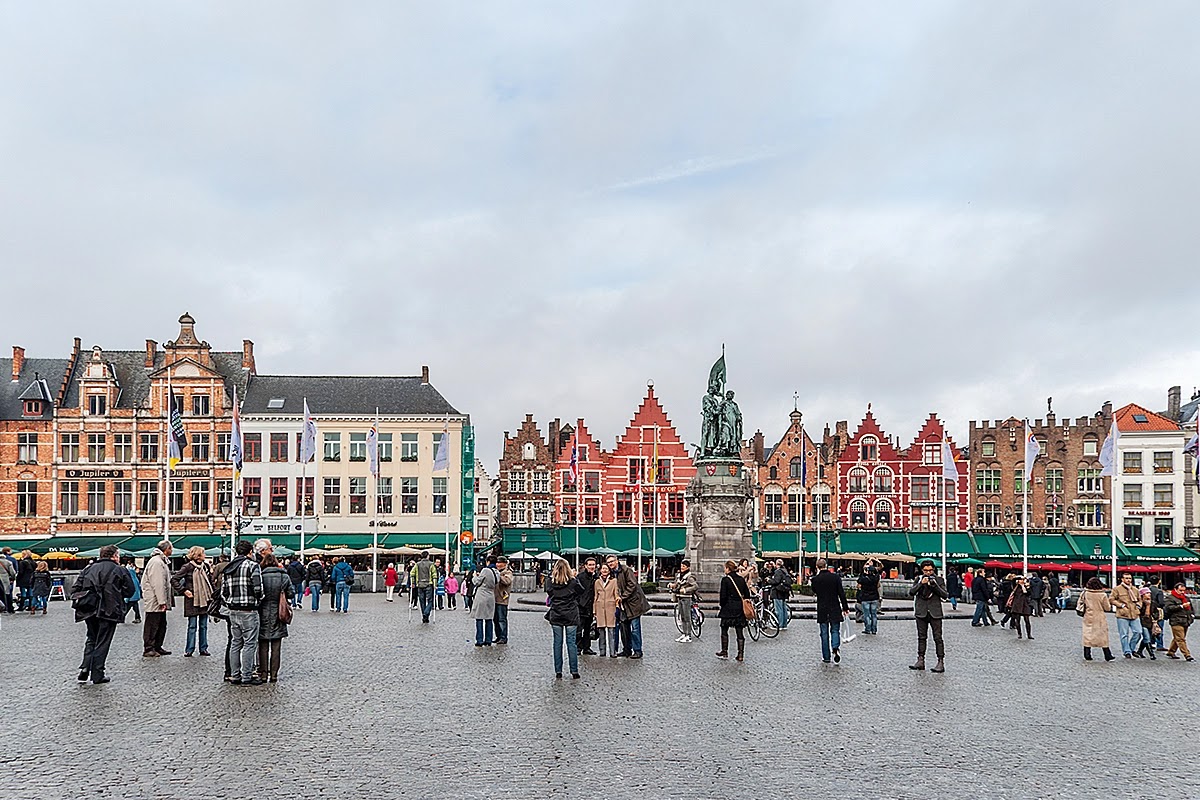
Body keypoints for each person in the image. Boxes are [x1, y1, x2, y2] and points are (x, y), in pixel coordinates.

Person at [73, 544, 135, 684]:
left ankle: (85, 667)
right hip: (109, 609)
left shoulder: (88, 569)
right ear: (114, 556)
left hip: (89, 608)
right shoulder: (120, 570)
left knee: (91, 638)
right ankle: (97, 673)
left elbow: (76, 588)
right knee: (103, 642)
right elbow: (130, 591)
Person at [224, 540, 265, 685]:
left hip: (233, 610)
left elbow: (224, 591)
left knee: (236, 643)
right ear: (250, 552)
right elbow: (258, 588)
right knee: (249, 643)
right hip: (248, 609)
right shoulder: (252, 566)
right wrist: (259, 599)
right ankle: (247, 676)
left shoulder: (229, 567)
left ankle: (235, 675)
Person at [256, 553, 295, 682]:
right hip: (279, 612)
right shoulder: (283, 575)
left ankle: (263, 673)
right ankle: (274, 675)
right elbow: (291, 593)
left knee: (263, 646)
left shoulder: (260, 576)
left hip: (262, 612)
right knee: (276, 646)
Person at [171, 546, 213, 657]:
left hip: (204, 599)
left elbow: (210, 582)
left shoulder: (206, 567)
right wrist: (184, 590)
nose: (205, 555)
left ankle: (203, 648)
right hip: (192, 599)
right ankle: (189, 649)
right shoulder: (187, 567)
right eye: (203, 553)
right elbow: (174, 579)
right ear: (198, 555)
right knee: (192, 626)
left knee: (204, 625)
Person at [546, 559, 584, 679]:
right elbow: (581, 591)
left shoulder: (549, 582)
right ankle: (574, 671)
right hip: (571, 613)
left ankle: (558, 671)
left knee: (557, 643)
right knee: (571, 643)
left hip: (556, 613)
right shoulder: (573, 582)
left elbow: (550, 593)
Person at [909, 560, 948, 672]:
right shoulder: (918, 579)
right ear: (922, 570)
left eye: (930, 570)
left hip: (935, 612)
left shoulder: (939, 580)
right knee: (921, 637)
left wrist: (934, 585)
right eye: (926, 570)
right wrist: (921, 584)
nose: (928, 573)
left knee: (938, 638)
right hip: (921, 611)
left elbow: (945, 595)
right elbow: (911, 592)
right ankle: (920, 660)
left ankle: (940, 661)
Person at [608, 555, 647, 658]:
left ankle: (637, 650)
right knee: (624, 629)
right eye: (609, 562)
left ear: (617, 561)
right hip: (622, 605)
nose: (610, 564)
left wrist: (622, 597)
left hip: (633, 603)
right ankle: (627, 649)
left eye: (612, 561)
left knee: (635, 628)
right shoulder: (611, 573)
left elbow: (632, 585)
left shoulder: (626, 570)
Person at [811, 559, 849, 664]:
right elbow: (841, 593)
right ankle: (835, 647)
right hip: (834, 607)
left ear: (817, 567)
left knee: (824, 633)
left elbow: (814, 591)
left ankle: (826, 656)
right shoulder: (835, 578)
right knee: (835, 630)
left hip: (822, 608)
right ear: (826, 566)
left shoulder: (815, 580)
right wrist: (845, 607)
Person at [141, 541, 174, 657]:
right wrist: (162, 601)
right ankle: (149, 647)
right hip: (154, 599)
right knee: (152, 624)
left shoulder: (161, 561)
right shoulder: (157, 562)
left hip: (157, 599)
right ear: (167, 549)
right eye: (171, 548)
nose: (172, 550)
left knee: (161, 624)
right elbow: (158, 583)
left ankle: (157, 646)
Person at [716, 560, 750, 662]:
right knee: (739, 632)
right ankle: (740, 654)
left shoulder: (725, 580)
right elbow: (747, 594)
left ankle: (724, 650)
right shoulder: (741, 579)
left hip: (728, 608)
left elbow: (723, 596)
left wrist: (722, 605)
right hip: (739, 608)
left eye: (725, 568)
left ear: (728, 568)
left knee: (724, 629)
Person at [1077, 577, 1116, 662]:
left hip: (1088, 616)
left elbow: (1080, 603)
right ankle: (1107, 654)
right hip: (1099, 617)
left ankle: (1087, 654)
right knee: (1102, 636)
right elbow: (1107, 608)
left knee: (1087, 634)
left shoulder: (1085, 593)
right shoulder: (1103, 595)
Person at [1111, 572, 1144, 659]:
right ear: (1122, 579)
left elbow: (1140, 599)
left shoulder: (1135, 589)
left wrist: (1139, 605)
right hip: (1123, 614)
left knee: (1138, 632)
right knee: (1124, 634)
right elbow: (1111, 599)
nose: (1128, 580)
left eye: (1129, 578)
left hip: (1134, 614)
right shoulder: (1117, 589)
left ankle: (1131, 648)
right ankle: (1127, 651)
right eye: (1126, 578)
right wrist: (1120, 605)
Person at [1163, 582, 1195, 661]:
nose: (1182, 592)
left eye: (1183, 590)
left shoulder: (1186, 598)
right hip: (1176, 621)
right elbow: (1169, 608)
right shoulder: (1170, 598)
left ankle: (1171, 651)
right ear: (1175, 589)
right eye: (1180, 590)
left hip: (1186, 620)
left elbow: (1191, 608)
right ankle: (1187, 655)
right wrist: (1181, 606)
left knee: (1178, 637)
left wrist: (1192, 616)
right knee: (1181, 639)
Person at [594, 563, 620, 657]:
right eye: (603, 569)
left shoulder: (614, 581)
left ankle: (613, 652)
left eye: (606, 569)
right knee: (601, 631)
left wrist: (617, 604)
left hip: (610, 607)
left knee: (611, 631)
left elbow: (616, 593)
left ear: (609, 571)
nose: (604, 570)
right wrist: (594, 610)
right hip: (600, 607)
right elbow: (595, 596)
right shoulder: (597, 582)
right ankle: (602, 651)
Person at [670, 559, 698, 643]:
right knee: (682, 617)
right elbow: (676, 585)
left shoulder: (689, 577)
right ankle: (684, 633)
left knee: (687, 617)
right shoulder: (679, 576)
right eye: (681, 566)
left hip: (686, 597)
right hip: (679, 597)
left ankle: (688, 635)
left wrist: (685, 590)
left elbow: (695, 586)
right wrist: (672, 585)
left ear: (688, 567)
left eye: (684, 566)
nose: (682, 567)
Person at [471, 562, 498, 646]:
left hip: (482, 596)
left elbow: (477, 582)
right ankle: (488, 639)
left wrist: (474, 576)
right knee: (489, 619)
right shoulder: (496, 572)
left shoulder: (485, 570)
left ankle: (479, 639)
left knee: (479, 618)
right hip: (491, 596)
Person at [576, 557, 598, 654]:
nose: (592, 567)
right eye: (590, 565)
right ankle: (578, 647)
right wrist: (580, 602)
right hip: (581, 607)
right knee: (579, 629)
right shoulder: (580, 577)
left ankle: (586, 647)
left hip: (591, 606)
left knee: (588, 629)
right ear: (585, 566)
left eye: (593, 565)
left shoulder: (596, 577)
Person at [857, 559, 882, 635]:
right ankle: (874, 629)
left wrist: (864, 571)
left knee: (867, 614)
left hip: (865, 598)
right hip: (874, 597)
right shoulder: (876, 578)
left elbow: (859, 579)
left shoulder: (864, 579)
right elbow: (878, 573)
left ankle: (868, 628)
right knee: (874, 614)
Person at [493, 556, 513, 643]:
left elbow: (507, 581)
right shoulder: (495, 572)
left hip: (502, 600)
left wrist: (499, 576)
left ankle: (503, 637)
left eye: (499, 562)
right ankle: (498, 636)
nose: (497, 564)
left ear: (504, 564)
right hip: (494, 599)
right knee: (495, 619)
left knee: (502, 619)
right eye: (497, 562)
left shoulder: (508, 573)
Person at [1134, 587, 1158, 660]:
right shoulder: (1140, 604)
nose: (1149, 595)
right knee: (1147, 638)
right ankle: (1151, 654)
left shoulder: (1153, 603)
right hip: (1142, 623)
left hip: (1151, 623)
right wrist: (1146, 606)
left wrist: (1155, 617)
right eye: (1147, 593)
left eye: (1149, 593)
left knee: (1147, 637)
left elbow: (1156, 612)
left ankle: (1139, 651)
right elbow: (1138, 613)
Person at [413, 551, 438, 623]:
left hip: (420, 584)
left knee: (422, 601)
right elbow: (434, 575)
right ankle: (426, 613)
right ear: (428, 556)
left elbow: (412, 573)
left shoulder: (417, 564)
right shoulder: (431, 564)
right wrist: (435, 584)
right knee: (430, 600)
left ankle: (424, 616)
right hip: (428, 584)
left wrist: (413, 582)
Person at [768, 560, 792, 630]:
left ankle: (780, 624)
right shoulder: (785, 571)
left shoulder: (778, 571)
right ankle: (784, 624)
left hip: (778, 592)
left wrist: (769, 580)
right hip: (783, 592)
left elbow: (776, 581)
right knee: (784, 609)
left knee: (779, 609)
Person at [1009, 575, 1034, 640]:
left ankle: (1029, 634)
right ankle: (1019, 634)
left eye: (1022, 580)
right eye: (1021, 580)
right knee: (1017, 620)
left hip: (1025, 604)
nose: (1022, 581)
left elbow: (1029, 593)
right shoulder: (1016, 586)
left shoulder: (1027, 586)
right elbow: (1012, 581)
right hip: (1017, 604)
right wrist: (1019, 578)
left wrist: (1026, 586)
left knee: (1027, 620)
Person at [1148, 575, 1168, 651]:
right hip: (1157, 611)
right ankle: (1159, 644)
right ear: (1159, 581)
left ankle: (1151, 643)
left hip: (1148, 610)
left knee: (1150, 627)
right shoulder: (1159, 591)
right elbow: (1161, 603)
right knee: (1159, 628)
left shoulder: (1147, 590)